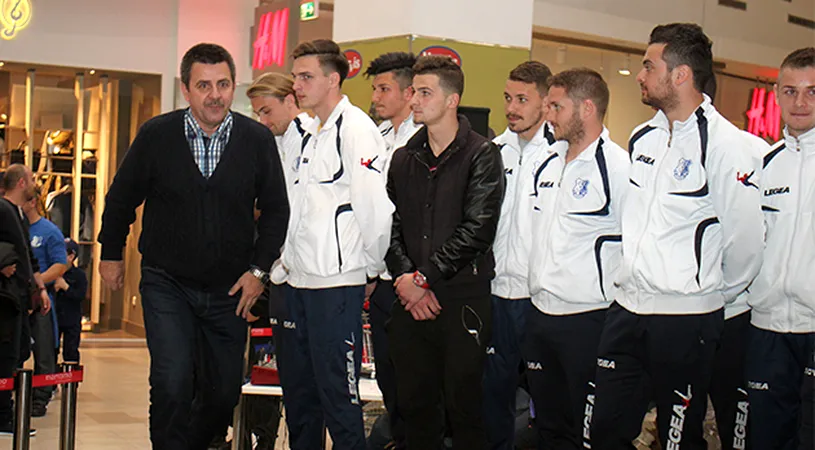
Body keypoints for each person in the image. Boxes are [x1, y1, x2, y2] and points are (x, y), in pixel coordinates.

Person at [97, 43, 290, 450]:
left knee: (223, 392)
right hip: (167, 282)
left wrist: (258, 272)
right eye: (204, 85)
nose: (215, 95)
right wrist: (110, 253)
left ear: (233, 86)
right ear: (186, 89)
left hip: (230, 290)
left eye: (223, 84)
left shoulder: (256, 140)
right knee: (172, 380)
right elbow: (121, 198)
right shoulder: (157, 135)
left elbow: (276, 211)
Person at [590, 23, 764, 449]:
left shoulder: (727, 145)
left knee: (678, 437)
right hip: (627, 309)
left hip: (685, 318)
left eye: (649, 67)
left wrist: (707, 294)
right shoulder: (643, 136)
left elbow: (745, 242)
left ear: (681, 74)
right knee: (605, 428)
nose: (641, 76)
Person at [269, 39, 392, 450]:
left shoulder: (356, 130)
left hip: (336, 286)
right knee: (299, 400)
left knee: (339, 400)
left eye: (306, 77)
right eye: (296, 77)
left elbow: (374, 209)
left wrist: (371, 268)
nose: (297, 85)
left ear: (333, 79)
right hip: (295, 282)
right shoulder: (307, 132)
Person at [385, 55, 505, 450]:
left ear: (452, 100)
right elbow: (391, 224)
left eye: (424, 93)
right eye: (413, 92)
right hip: (410, 299)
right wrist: (406, 278)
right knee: (415, 408)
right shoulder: (404, 157)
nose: (413, 100)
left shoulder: (482, 154)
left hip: (462, 298)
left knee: (464, 409)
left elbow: (478, 229)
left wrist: (424, 278)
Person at [522, 68, 629, 449]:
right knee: (548, 428)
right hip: (539, 315)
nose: (548, 114)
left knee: (590, 430)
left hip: (589, 320)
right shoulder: (546, 162)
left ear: (586, 108)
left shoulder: (619, 167)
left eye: (556, 106)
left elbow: (635, 245)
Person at [483, 60, 561, 450]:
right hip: (496, 293)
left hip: (540, 298)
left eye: (522, 100)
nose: (511, 108)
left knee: (547, 400)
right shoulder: (492, 151)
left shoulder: (563, 154)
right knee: (491, 396)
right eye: (507, 98)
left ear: (546, 103)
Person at [746, 46, 815, 450]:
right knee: (767, 440)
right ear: (776, 95)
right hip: (768, 328)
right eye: (790, 91)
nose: (800, 102)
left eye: (812, 91)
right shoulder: (764, 163)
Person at [362, 50, 422, 450]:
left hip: (415, 278)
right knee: (388, 377)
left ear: (408, 92)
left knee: (416, 381)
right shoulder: (375, 138)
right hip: (380, 277)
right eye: (375, 89)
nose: (376, 97)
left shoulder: (426, 140)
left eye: (384, 89)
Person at [0, 164, 50, 436]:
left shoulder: (19, 215)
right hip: (6, 298)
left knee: (17, 353)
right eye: (31, 178)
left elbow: (28, 257)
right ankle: (3, 416)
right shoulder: (3, 209)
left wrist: (40, 288)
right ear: (21, 183)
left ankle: (7, 413)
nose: (34, 183)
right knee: (6, 355)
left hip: (19, 297)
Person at [22, 193, 68, 417]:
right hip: (15, 298)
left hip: (41, 300)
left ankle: (40, 398)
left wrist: (37, 283)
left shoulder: (49, 231)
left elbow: (60, 265)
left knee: (43, 350)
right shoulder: (14, 228)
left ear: (32, 202)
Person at [247, 72, 313, 187]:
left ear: (289, 101)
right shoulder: (268, 144)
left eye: (267, 112)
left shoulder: (314, 139)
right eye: (258, 115)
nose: (262, 121)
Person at [54, 238, 86, 364]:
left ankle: (71, 375)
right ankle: (51, 375)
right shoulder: (52, 272)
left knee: (71, 351)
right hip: (55, 318)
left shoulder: (79, 275)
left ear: (71, 256)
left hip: (72, 319)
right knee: (51, 350)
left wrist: (66, 287)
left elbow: (80, 295)